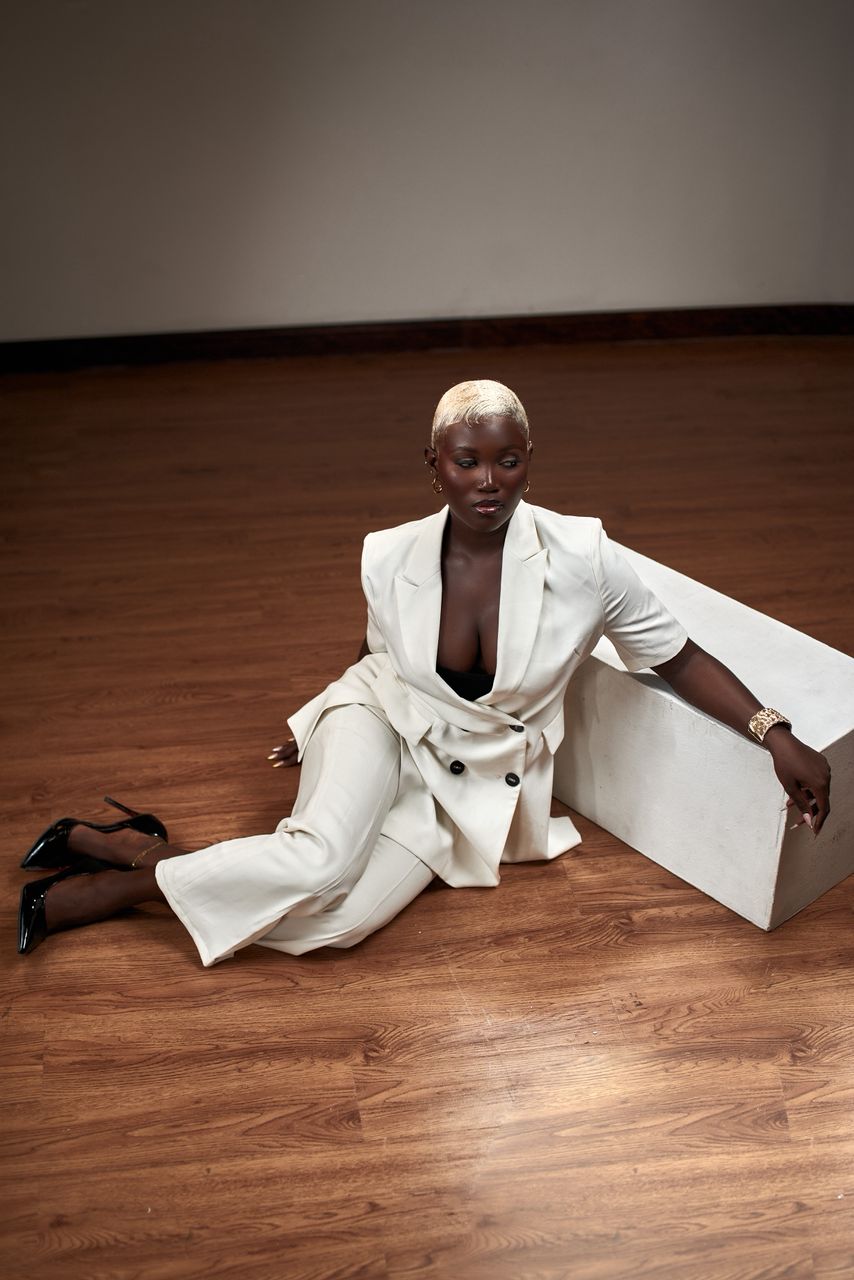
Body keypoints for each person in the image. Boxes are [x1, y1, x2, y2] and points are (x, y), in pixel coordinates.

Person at [18, 380, 831, 960]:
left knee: (335, 924)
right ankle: (106, 890)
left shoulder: (585, 557)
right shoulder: (390, 554)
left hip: (467, 778)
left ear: (530, 460)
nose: (489, 483)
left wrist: (775, 735)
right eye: (467, 462)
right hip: (381, 717)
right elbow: (376, 654)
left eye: (507, 462)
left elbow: (678, 656)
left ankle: (137, 853)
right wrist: (323, 721)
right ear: (433, 464)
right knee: (318, 862)